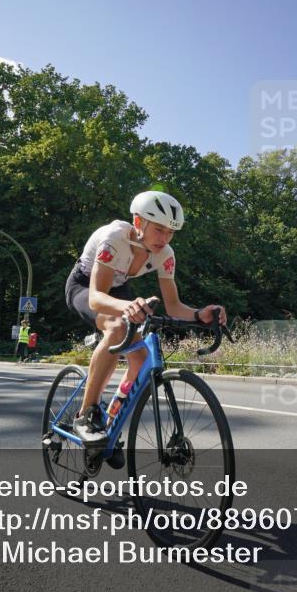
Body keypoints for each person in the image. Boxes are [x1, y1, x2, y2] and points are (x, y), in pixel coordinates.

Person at [64, 191, 227, 463]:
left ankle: (109, 425)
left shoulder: (166, 255)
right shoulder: (114, 238)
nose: (164, 239)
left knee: (140, 359)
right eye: (159, 230)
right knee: (117, 328)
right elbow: (95, 298)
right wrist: (126, 307)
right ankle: (86, 415)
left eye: (170, 233)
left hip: (118, 290)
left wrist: (201, 315)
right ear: (138, 223)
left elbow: (173, 306)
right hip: (84, 286)